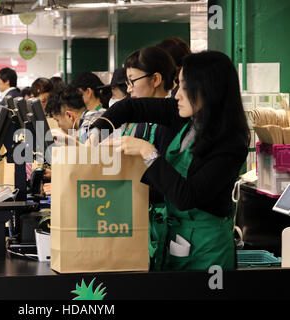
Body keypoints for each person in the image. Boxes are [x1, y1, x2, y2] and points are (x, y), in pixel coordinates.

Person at [89, 51, 250, 271]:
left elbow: (187, 196)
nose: (176, 95)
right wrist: (98, 130)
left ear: (208, 89)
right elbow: (131, 107)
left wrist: (148, 153)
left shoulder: (231, 143)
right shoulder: (184, 117)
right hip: (177, 237)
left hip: (208, 252)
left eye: (184, 87)